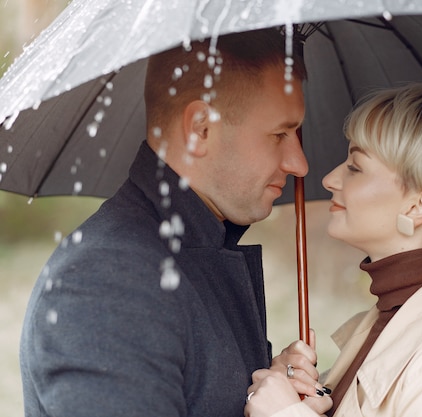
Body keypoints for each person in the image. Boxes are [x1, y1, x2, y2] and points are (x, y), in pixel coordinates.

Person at [20, 28, 313, 417]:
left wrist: (274, 390)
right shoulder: (107, 284)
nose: (299, 164)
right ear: (200, 130)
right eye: (280, 134)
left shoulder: (196, 250)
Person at [245, 82, 422, 417]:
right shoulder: (384, 323)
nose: (330, 179)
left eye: (355, 167)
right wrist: (294, 394)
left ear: (417, 206)